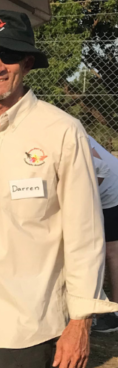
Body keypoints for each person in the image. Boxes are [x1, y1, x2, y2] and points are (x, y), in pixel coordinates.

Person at [0, 10, 118, 368]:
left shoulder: (62, 131)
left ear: (26, 62)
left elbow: (85, 233)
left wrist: (80, 320)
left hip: (26, 326)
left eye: (8, 54)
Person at [88, 136, 118, 333]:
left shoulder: (61, 128)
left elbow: (99, 168)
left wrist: (83, 200)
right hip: (94, 186)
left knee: (111, 252)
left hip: (110, 188)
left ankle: (114, 312)